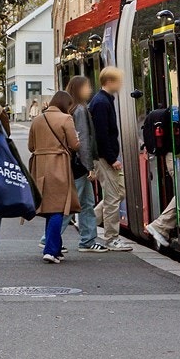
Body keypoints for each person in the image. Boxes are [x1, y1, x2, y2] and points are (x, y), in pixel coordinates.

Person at [28, 91, 81, 264]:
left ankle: (55, 249)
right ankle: (50, 250)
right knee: (58, 207)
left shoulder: (37, 120)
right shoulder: (66, 119)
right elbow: (74, 145)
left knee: (49, 208)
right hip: (59, 165)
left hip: (39, 167)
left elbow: (31, 146)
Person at [88, 67, 133, 251]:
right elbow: (101, 135)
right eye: (118, 81)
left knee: (119, 192)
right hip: (104, 157)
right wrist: (111, 158)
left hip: (105, 156)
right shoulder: (101, 103)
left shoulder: (103, 100)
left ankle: (89, 220)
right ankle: (111, 238)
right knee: (113, 197)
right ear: (109, 82)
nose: (121, 85)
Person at [68, 75, 104, 252]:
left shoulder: (71, 108)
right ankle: (49, 239)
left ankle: (88, 240)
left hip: (75, 163)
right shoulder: (80, 110)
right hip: (80, 165)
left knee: (87, 203)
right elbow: (83, 139)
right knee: (72, 204)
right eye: (87, 87)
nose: (90, 90)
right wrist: (89, 166)